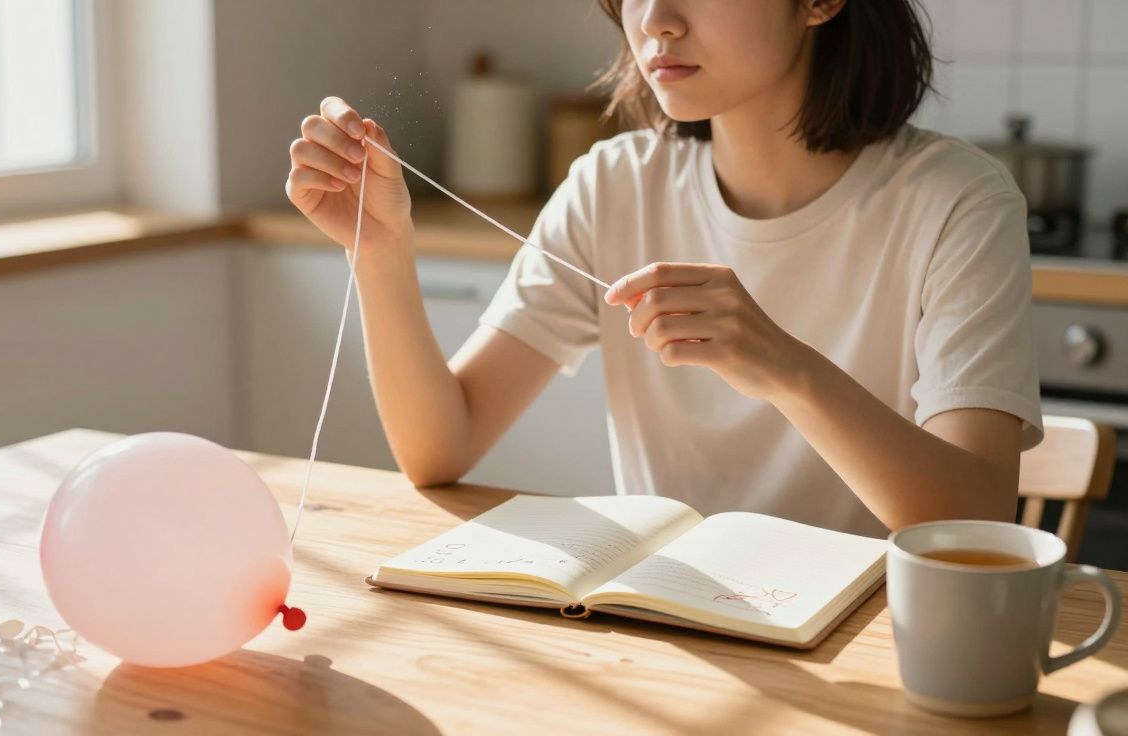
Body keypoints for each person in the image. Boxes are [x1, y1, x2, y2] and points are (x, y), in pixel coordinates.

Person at [283, 0, 1043, 537]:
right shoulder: (613, 186)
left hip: (876, 649)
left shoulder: (957, 204)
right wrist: (378, 253)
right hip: (672, 638)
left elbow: (975, 519)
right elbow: (439, 448)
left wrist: (786, 366)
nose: (656, 20)